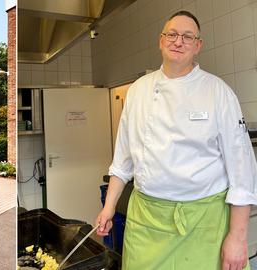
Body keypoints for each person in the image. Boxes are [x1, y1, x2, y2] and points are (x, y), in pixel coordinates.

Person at [95, 10, 257, 270]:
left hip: (205, 221)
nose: (178, 41)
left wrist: (237, 238)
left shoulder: (218, 92)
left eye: (187, 36)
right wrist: (109, 207)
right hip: (147, 221)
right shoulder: (138, 91)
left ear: (198, 45)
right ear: (161, 41)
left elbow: (242, 173)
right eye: (171, 34)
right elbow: (122, 162)